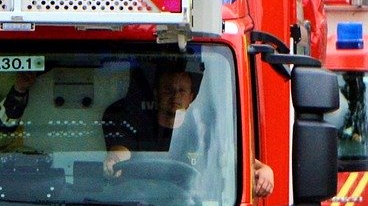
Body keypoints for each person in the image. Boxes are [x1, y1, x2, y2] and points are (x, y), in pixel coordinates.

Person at [103, 64, 274, 198]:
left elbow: (231, 159)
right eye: (168, 90)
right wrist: (113, 160)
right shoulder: (138, 128)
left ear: (191, 97)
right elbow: (121, 151)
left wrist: (265, 171)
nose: (175, 96)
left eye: (182, 91)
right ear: (156, 94)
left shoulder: (204, 134)